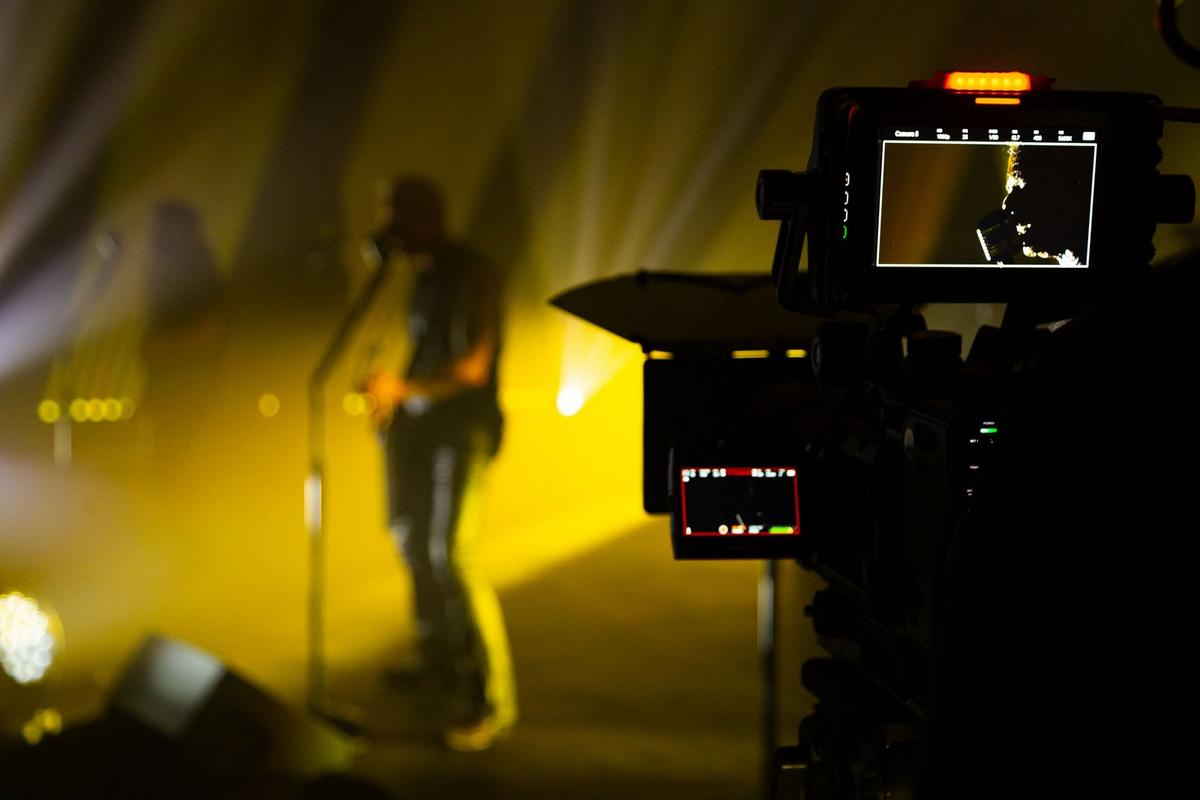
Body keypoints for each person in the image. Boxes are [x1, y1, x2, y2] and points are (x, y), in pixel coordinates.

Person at [361, 175, 515, 751]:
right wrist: (393, 398)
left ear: (427, 216)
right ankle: (438, 663)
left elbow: (472, 367)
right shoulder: (422, 277)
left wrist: (402, 390)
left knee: (453, 556)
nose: (390, 231)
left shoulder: (472, 271)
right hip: (421, 431)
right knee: (413, 544)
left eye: (397, 217)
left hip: (461, 431)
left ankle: (492, 701)